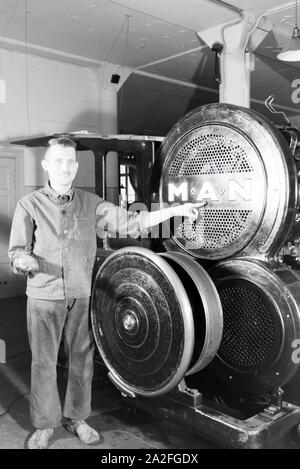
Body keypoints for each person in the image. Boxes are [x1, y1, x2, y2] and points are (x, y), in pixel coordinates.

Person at [8, 137, 204, 449]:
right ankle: (45, 425)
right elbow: (16, 251)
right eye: (58, 161)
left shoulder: (92, 204)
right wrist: (23, 259)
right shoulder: (28, 206)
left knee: (82, 360)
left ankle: (78, 419)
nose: (65, 168)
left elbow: (134, 222)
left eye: (70, 161)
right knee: (43, 362)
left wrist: (174, 210)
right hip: (43, 297)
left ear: (75, 165)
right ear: (46, 164)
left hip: (82, 293)